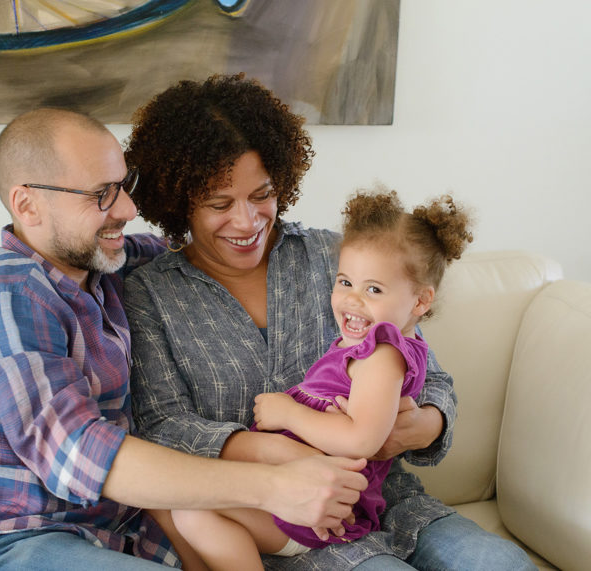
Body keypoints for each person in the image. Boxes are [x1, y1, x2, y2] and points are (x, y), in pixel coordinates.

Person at [0, 107, 370, 571]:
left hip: (112, 539)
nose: (127, 208)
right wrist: (272, 485)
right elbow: (84, 454)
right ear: (27, 205)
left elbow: (205, 252)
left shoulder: (112, 267)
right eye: (100, 194)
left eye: (124, 185)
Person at [123, 74, 536, 569]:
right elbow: (162, 424)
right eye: (219, 203)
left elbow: (430, 374)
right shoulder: (150, 293)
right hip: (272, 522)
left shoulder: (336, 258)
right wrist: (279, 457)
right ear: (180, 200)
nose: (248, 220)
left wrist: (423, 425)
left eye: (262, 194)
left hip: (392, 504)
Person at [168, 189, 474, 569]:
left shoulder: (382, 350)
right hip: (292, 489)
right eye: (344, 282)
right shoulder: (368, 343)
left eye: (373, 289)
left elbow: (362, 439)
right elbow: (165, 423)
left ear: (420, 302)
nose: (352, 299)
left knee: (191, 513)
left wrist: (289, 414)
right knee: (187, 512)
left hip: (323, 504)